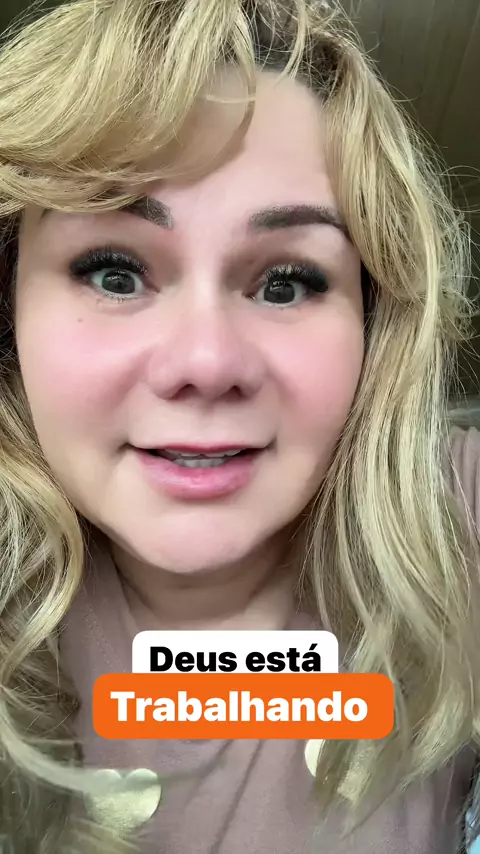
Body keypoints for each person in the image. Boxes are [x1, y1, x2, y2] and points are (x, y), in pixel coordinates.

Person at [0, 0, 478, 851]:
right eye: (113, 272)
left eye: (286, 283)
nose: (207, 360)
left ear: (373, 324)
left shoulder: (458, 513)